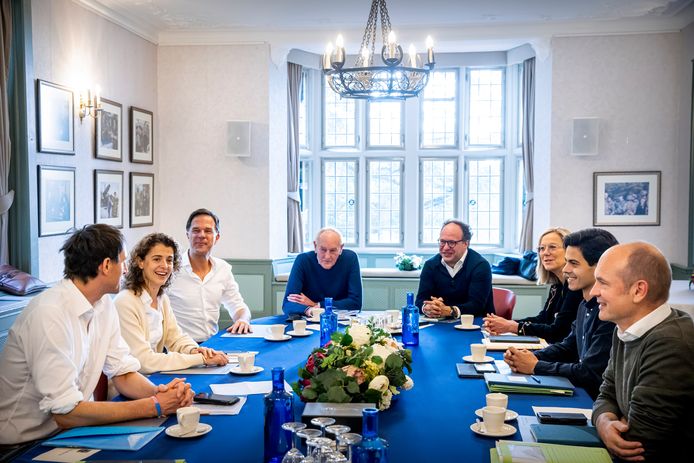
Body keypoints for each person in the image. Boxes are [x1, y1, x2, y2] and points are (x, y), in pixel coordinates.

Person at [0, 225, 194, 448]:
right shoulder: (50, 313)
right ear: (106, 265)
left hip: (70, 433)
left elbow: (122, 373)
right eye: (122, 261)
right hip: (21, 446)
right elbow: (66, 413)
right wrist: (155, 405)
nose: (125, 268)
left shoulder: (103, 305)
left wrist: (162, 393)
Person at [591, 242, 694, 461]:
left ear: (638, 290)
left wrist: (610, 422)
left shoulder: (671, 343)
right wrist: (605, 422)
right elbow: (606, 393)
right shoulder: (626, 327)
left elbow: (637, 445)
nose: (593, 292)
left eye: (602, 283)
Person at [503, 228, 618, 399]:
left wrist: (536, 366)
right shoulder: (584, 305)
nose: (565, 269)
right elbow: (569, 347)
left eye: (573, 263)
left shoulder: (611, 313)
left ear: (599, 266)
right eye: (566, 262)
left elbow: (590, 373)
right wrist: (528, 357)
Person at [115, 233, 228, 374]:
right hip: (127, 387)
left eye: (169, 260)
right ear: (140, 262)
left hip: (154, 376)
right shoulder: (125, 302)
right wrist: (200, 359)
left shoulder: (162, 298)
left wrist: (195, 350)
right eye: (157, 259)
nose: (165, 266)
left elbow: (175, 338)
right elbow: (144, 362)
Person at [483, 227, 583, 343]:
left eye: (552, 247)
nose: (545, 253)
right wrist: (507, 324)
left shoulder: (575, 287)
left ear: (569, 251)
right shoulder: (556, 286)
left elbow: (558, 332)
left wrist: (512, 327)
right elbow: (543, 319)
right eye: (541, 248)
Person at [168, 209, 252, 342]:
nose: (201, 235)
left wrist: (242, 320)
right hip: (180, 349)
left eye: (208, 231)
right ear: (187, 235)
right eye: (196, 230)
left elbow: (239, 307)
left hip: (213, 346)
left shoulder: (223, 269)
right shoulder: (171, 269)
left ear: (216, 237)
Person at [416, 220, 494, 318]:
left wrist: (450, 311)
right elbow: (420, 301)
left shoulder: (480, 266)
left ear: (466, 243)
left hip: (476, 325)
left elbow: (477, 306)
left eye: (452, 242)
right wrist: (427, 307)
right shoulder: (430, 265)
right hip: (438, 326)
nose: (445, 248)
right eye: (442, 242)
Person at [282, 227, 362, 316]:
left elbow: (355, 303)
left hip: (341, 320)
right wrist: (310, 310)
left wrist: (317, 305)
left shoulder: (350, 259)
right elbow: (287, 304)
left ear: (341, 248)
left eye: (333, 250)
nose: (327, 256)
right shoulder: (303, 260)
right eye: (323, 250)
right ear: (315, 246)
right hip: (309, 319)